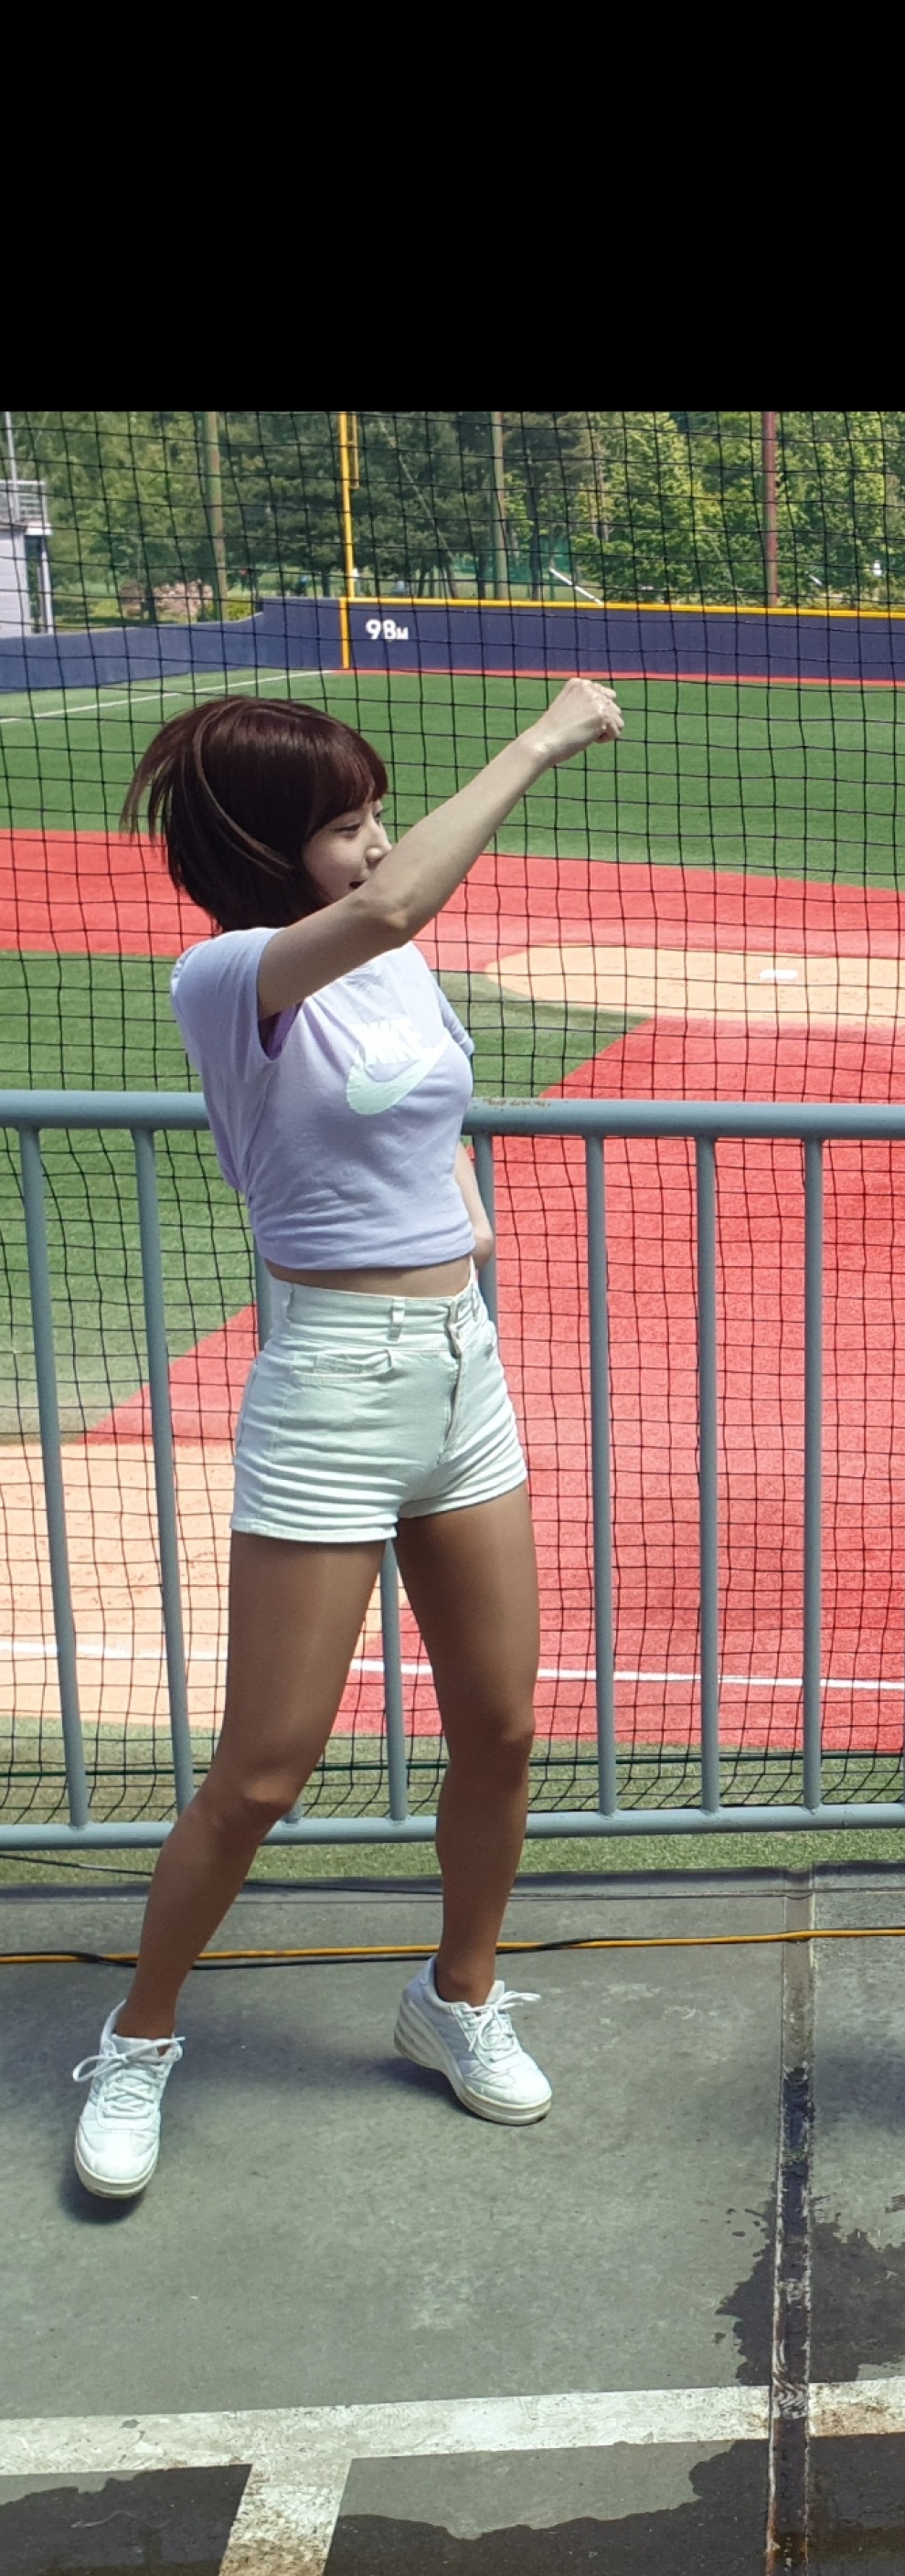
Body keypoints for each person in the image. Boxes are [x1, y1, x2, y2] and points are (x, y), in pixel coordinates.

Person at [69, 677, 623, 2199]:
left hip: (460, 1375)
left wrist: (463, 1218)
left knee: (502, 1728)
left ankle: (456, 1997)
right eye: (343, 824)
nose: (375, 843)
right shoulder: (229, 975)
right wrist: (539, 739)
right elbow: (386, 915)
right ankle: (138, 2035)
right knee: (262, 1771)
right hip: (329, 1389)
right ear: (262, 849)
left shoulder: (392, 964)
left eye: (378, 813)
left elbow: (427, 1093)